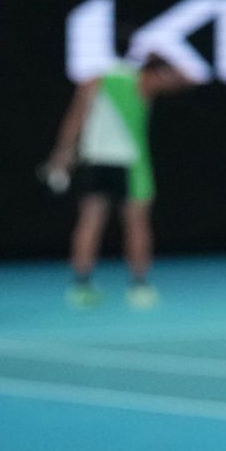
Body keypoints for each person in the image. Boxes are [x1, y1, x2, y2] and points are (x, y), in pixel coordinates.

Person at [44, 51, 195, 308]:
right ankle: (139, 286)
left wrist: (62, 155)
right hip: (130, 162)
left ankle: (81, 285)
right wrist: (161, 58)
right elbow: (187, 80)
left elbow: (74, 120)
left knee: (91, 220)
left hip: (96, 160)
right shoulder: (143, 81)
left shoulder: (94, 81)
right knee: (135, 223)